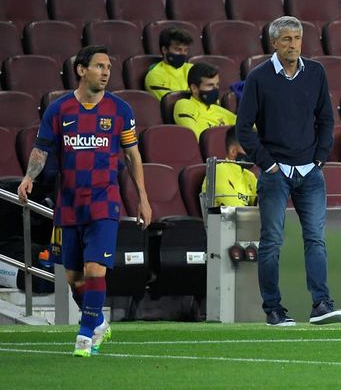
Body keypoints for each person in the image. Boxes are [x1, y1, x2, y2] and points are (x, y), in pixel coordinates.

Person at [17, 45, 152, 357]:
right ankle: (99, 322)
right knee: (74, 276)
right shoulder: (59, 109)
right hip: (69, 203)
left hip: (104, 201)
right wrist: (28, 177)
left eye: (108, 67)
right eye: (99, 66)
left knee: (95, 270)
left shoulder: (120, 110)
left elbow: (132, 155)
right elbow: (42, 148)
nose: (106, 72)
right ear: (81, 70)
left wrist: (143, 198)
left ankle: (85, 335)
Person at [236, 16, 341, 326]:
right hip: (275, 172)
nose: (293, 44)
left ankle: (321, 303)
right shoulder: (258, 77)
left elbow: (326, 119)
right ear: (273, 43)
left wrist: (320, 158)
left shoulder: (315, 72)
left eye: (297, 38)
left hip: (310, 171)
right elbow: (243, 129)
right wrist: (268, 163)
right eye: (286, 39)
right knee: (272, 241)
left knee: (316, 238)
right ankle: (273, 309)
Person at [174, 62, 236, 141]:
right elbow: (196, 137)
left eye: (217, 85)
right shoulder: (185, 105)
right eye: (210, 85)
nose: (215, 89)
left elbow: (248, 127)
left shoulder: (219, 109)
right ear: (194, 88)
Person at [202, 126, 257, 207]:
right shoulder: (218, 172)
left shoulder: (250, 176)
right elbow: (234, 211)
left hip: (249, 219)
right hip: (221, 219)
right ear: (233, 151)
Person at [145, 27, 194, 101]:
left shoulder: (193, 69)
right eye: (178, 49)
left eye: (185, 50)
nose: (183, 53)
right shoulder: (155, 75)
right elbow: (171, 103)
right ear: (164, 50)